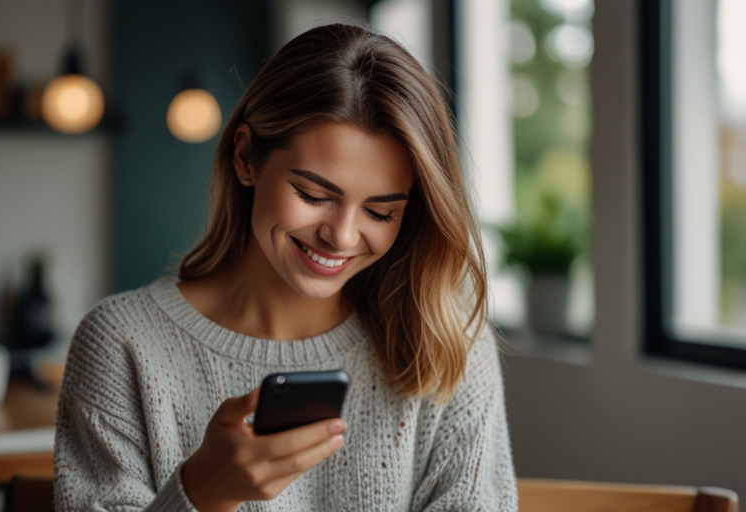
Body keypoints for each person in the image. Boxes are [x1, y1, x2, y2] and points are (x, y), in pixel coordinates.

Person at [54, 23, 517, 511]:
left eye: (380, 212)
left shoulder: (446, 340)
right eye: (314, 195)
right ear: (246, 158)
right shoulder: (122, 345)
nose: (340, 236)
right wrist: (202, 492)